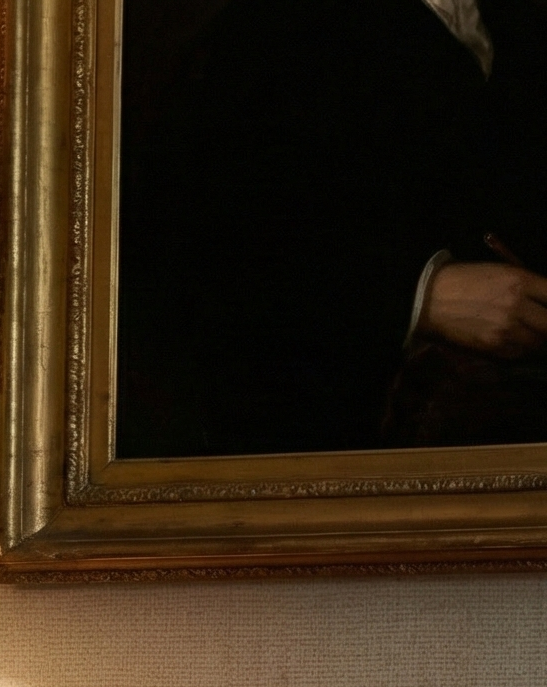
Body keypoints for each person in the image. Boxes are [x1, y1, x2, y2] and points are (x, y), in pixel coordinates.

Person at [117, 0, 547, 458]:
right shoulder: (270, 32)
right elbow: (189, 257)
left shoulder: (514, 22)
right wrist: (420, 298)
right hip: (319, 451)